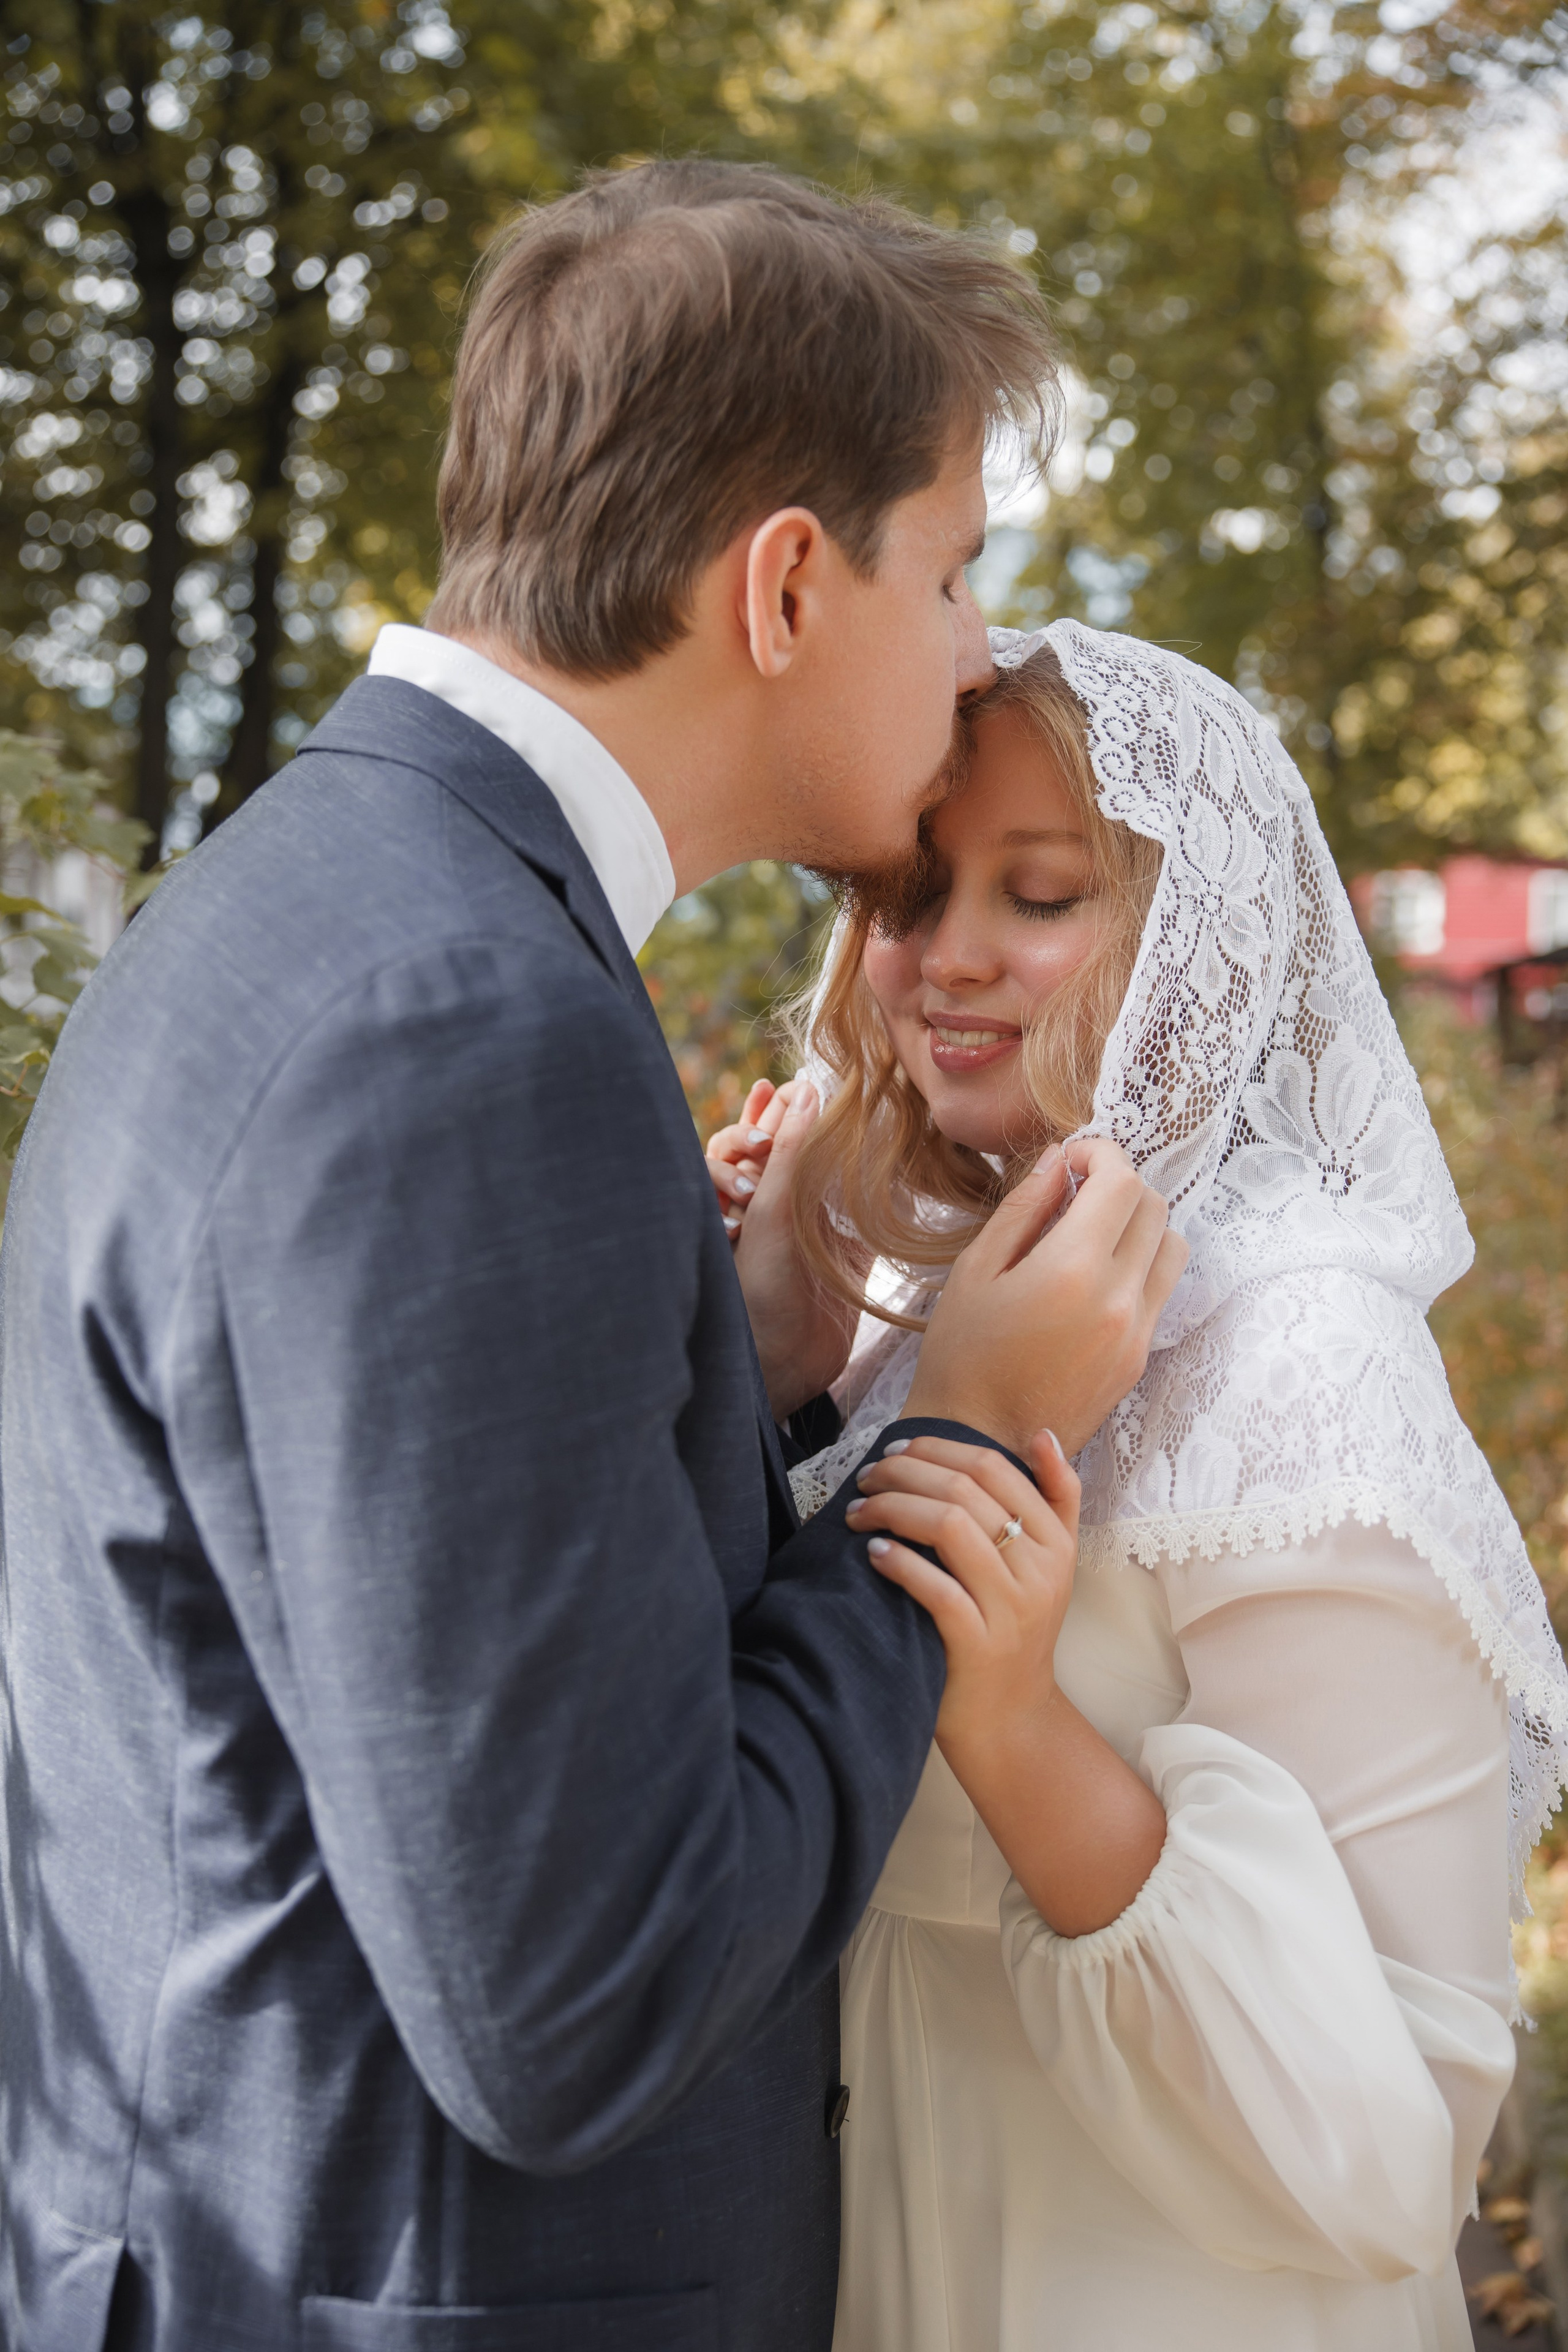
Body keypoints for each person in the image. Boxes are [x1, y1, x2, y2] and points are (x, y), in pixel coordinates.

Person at [0, 165, 1186, 2352]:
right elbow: (580, 1991)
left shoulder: (331, 889)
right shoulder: (464, 1022)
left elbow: (393, 1599)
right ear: (787, 587)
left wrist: (755, 1371)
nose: (973, 657)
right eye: (952, 577)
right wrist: (965, 1434)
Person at [710, 622, 1568, 2351]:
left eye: (1039, 897)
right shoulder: (915, 1328)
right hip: (884, 2264)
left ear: (1205, 941)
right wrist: (763, 1369)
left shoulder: (1304, 1373)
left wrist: (1019, 1726)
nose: (943, 959)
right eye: (905, 892)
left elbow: (1387, 2154)